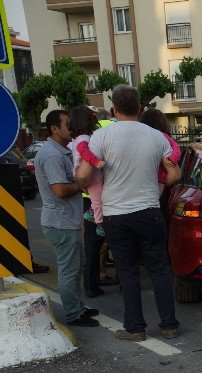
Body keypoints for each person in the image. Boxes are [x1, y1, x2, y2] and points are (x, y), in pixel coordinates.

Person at [76, 84, 181, 342]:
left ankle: (135, 328)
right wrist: (154, 184)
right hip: (149, 210)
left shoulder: (102, 137)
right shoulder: (156, 137)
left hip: (116, 214)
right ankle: (169, 324)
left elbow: (84, 176)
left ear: (113, 108)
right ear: (140, 108)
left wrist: (82, 180)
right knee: (159, 268)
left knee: (127, 270)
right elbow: (174, 174)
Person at [35, 109, 99, 327]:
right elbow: (60, 190)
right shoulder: (52, 154)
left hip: (67, 220)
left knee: (76, 266)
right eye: (66, 124)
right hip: (60, 222)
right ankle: (73, 314)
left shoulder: (61, 150)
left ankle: (77, 307)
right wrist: (82, 183)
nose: (71, 127)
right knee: (69, 269)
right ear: (54, 128)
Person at [68, 106, 112, 299]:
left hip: (87, 196)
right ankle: (92, 285)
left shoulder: (80, 137)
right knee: (100, 241)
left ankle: (92, 283)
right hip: (98, 192)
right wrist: (96, 162)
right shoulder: (92, 136)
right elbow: (85, 159)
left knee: (92, 245)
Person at [138, 109, 182, 196]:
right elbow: (176, 147)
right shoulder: (161, 136)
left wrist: (171, 159)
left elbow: (175, 147)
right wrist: (172, 159)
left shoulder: (144, 137)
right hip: (157, 181)